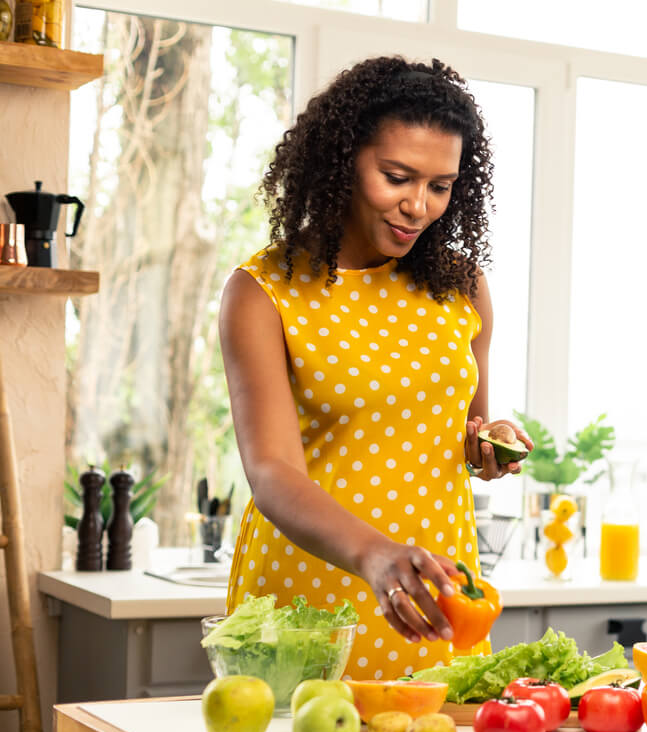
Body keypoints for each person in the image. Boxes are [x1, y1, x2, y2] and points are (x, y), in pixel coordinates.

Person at [218, 56, 529, 681]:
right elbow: (272, 472)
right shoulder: (264, 292)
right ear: (342, 160)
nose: (418, 205)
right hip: (308, 607)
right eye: (397, 177)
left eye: (440, 186)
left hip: (436, 598)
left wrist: (490, 447)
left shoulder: (462, 287)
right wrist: (376, 556)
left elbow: (466, 434)